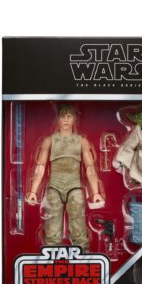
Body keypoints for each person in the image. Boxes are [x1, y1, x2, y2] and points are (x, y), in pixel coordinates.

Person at [26, 104, 104, 250]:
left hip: (75, 186)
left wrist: (95, 193)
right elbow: (40, 167)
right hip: (54, 187)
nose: (66, 120)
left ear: (75, 119)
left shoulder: (81, 141)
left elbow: (90, 168)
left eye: (69, 116)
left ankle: (82, 253)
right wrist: (33, 191)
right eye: (62, 116)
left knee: (78, 224)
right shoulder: (49, 140)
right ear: (58, 119)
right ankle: (51, 253)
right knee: (52, 227)